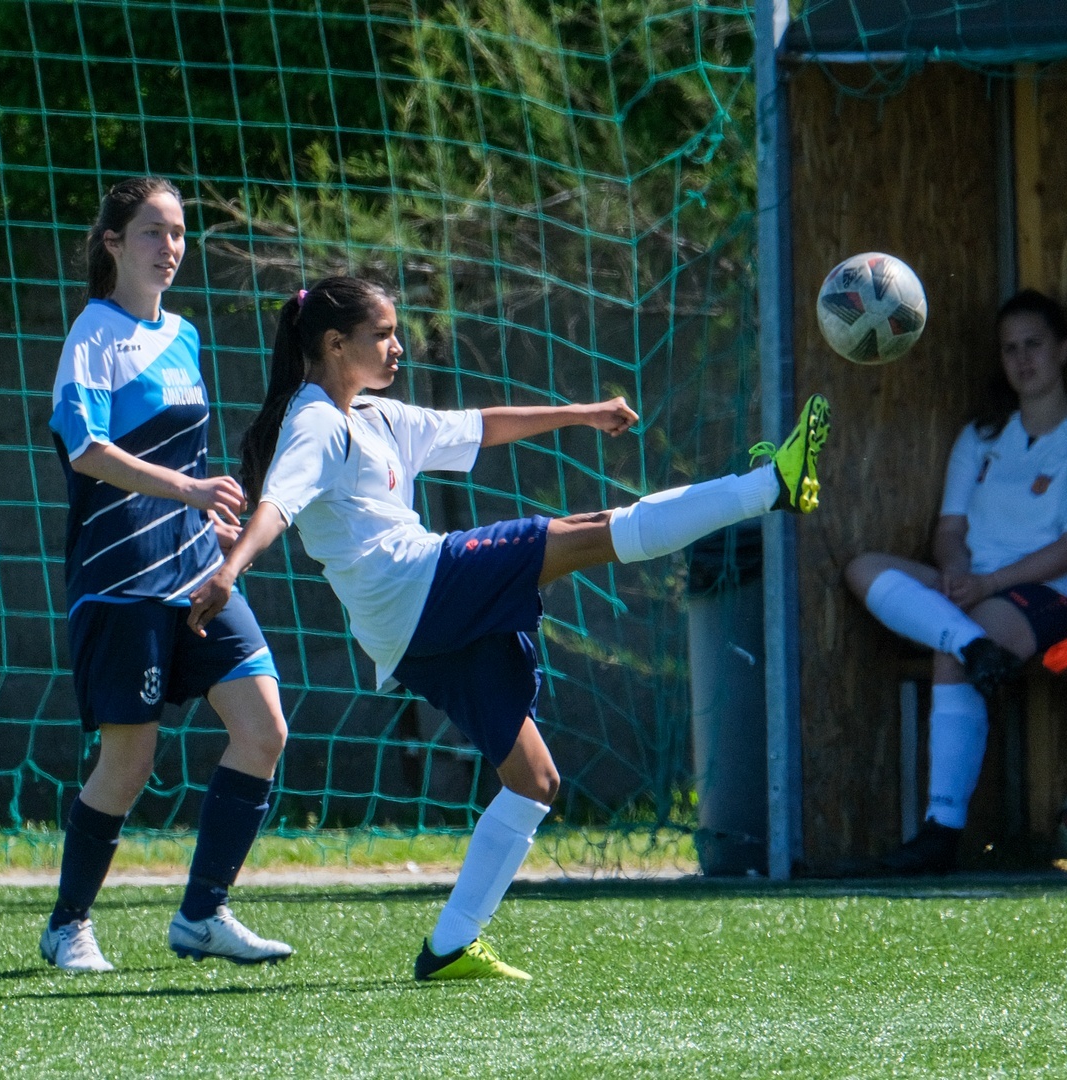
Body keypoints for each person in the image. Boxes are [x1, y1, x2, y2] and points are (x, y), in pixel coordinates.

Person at [188, 275, 829, 981]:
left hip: (408, 627)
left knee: (533, 780)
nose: (398, 346)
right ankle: (768, 487)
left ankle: (451, 944)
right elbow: (277, 505)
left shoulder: (372, 414)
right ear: (336, 344)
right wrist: (231, 569)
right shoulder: (314, 420)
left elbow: (481, 426)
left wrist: (582, 413)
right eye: (384, 335)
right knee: (592, 532)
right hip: (421, 583)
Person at [40, 176, 292, 973]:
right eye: (153, 231)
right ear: (113, 243)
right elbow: (86, 448)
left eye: (179, 233)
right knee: (130, 765)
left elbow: (188, 457)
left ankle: (202, 914)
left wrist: (207, 516)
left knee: (264, 729)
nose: (170, 247)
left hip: (197, 572)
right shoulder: (93, 334)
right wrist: (188, 491)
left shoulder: (184, 335)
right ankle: (68, 926)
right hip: (121, 581)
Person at [843, 289, 1067, 875]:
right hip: (975, 589)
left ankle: (942, 832)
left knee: (953, 645)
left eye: (1034, 345)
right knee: (863, 568)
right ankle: (973, 645)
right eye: (1009, 349)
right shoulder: (981, 436)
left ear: (1063, 349)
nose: (1022, 360)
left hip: (1057, 594)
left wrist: (989, 583)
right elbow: (950, 529)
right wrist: (955, 570)